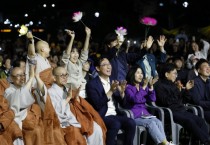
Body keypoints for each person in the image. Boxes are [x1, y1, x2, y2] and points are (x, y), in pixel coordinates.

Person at [48, 66, 106, 145]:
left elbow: (74, 105)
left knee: (97, 128)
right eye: (62, 75)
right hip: (65, 121)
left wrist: (76, 98)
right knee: (78, 135)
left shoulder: (67, 88)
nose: (65, 77)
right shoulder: (51, 92)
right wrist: (68, 98)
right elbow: (54, 110)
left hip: (75, 116)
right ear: (54, 78)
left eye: (66, 75)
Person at [154, 63, 210, 145]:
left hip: (180, 110)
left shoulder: (173, 85)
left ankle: (200, 142)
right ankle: (207, 141)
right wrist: (180, 91)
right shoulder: (159, 86)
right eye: (174, 73)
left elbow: (184, 99)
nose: (176, 76)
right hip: (170, 112)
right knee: (189, 121)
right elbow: (166, 101)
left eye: (176, 73)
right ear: (166, 74)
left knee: (200, 121)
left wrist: (187, 90)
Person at [86, 57, 136, 145]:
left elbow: (124, 105)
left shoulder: (114, 81)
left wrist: (122, 93)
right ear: (97, 68)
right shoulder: (92, 84)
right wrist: (110, 91)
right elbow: (97, 104)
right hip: (101, 115)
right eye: (104, 65)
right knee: (115, 124)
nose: (108, 67)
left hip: (115, 114)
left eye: (109, 64)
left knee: (131, 122)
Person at [124, 65, 174, 145]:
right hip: (133, 116)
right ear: (132, 74)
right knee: (151, 123)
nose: (141, 75)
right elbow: (135, 99)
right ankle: (165, 143)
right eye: (138, 73)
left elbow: (152, 99)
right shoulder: (128, 88)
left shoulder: (141, 87)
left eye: (141, 73)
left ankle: (164, 143)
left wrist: (150, 86)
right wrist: (144, 87)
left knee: (158, 121)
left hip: (145, 115)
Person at [4, 66, 44, 145]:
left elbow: (42, 92)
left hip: (33, 120)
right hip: (19, 122)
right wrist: (30, 78)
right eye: (18, 76)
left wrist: (35, 77)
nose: (22, 78)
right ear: (11, 78)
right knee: (35, 131)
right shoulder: (8, 91)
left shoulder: (27, 87)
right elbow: (20, 97)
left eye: (23, 75)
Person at [62, 27, 91, 98]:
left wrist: (88, 36)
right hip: (70, 94)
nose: (75, 55)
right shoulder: (65, 63)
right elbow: (66, 55)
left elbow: (84, 51)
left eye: (77, 52)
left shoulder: (79, 62)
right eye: (73, 52)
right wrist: (72, 38)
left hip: (83, 92)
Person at [189, 59, 210, 123]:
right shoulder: (194, 82)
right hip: (201, 111)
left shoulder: (209, 81)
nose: (208, 68)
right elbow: (197, 102)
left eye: (209, 66)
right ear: (199, 70)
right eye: (205, 66)